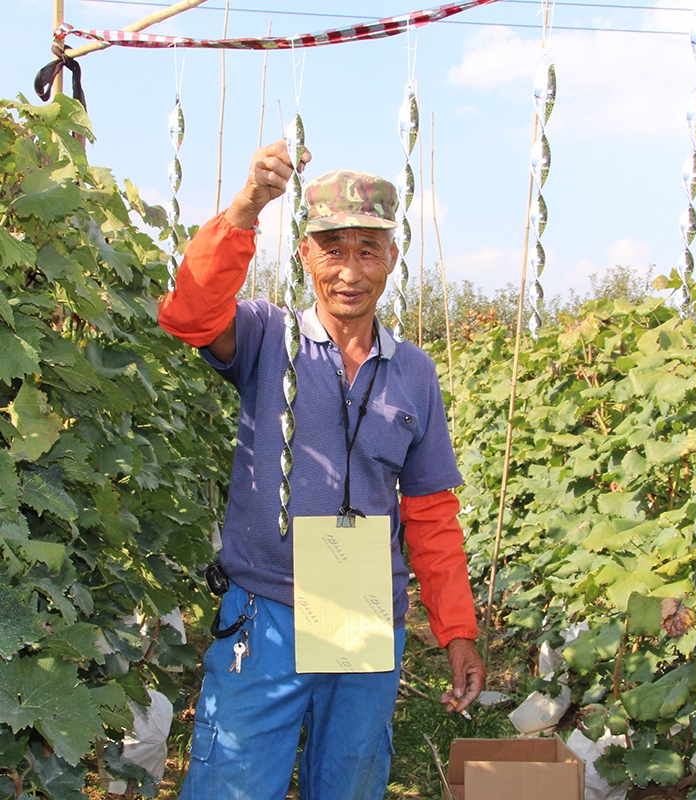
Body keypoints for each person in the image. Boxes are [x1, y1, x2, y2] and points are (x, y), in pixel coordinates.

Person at [159, 139, 485, 800]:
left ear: (393, 259)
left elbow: (429, 511)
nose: (349, 271)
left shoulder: (414, 372)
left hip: (364, 608)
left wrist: (457, 630)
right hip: (268, 608)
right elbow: (188, 313)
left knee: (348, 781)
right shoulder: (261, 336)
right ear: (305, 255)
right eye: (332, 249)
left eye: (368, 250)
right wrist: (249, 205)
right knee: (235, 781)